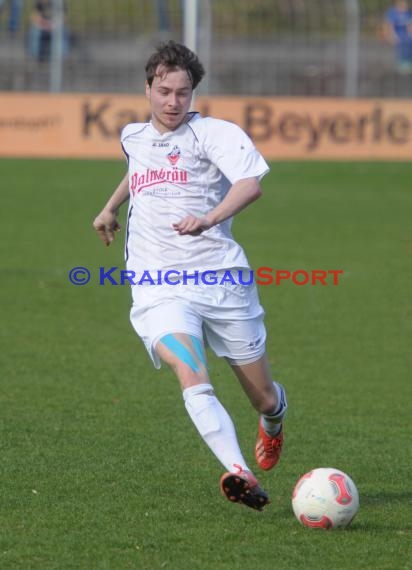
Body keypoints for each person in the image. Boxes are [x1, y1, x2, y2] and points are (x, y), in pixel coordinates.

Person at [93, 41, 288, 511]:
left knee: (262, 397)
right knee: (190, 368)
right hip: (158, 287)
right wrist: (110, 206)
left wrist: (209, 217)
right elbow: (138, 168)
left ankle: (274, 422)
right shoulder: (133, 135)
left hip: (221, 282)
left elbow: (250, 184)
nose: (172, 102)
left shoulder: (213, 134)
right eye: (164, 91)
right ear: (147, 88)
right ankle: (239, 471)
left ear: (193, 93)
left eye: (183, 93)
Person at [383, 0, 412, 72]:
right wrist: (391, 36)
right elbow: (389, 26)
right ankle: (402, 63)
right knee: (402, 42)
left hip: (404, 34)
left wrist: (410, 34)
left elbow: (409, 27)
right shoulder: (392, 13)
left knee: (409, 40)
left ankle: (409, 62)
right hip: (395, 33)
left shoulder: (408, 13)